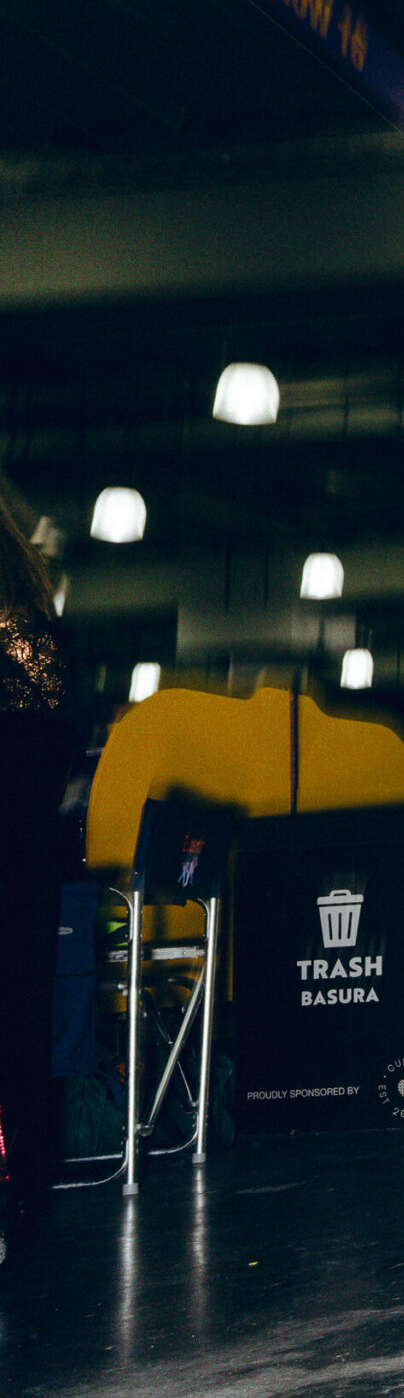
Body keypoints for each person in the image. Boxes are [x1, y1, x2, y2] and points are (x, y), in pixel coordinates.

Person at [0, 506, 74, 1230]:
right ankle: (26, 1178)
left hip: (17, 849)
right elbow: (56, 746)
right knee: (22, 1016)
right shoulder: (32, 633)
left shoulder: (20, 632)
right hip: (28, 854)